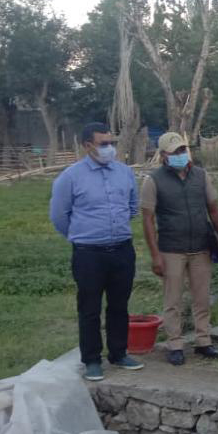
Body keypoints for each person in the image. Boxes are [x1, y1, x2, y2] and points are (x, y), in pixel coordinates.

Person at [49, 122, 144, 381]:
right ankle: (92, 360)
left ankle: (118, 353)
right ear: (87, 145)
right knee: (89, 307)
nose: (109, 148)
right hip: (89, 253)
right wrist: (82, 235)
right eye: (103, 144)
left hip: (122, 250)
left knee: (119, 304)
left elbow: (133, 206)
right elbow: (59, 215)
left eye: (111, 143)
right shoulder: (70, 177)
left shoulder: (124, 173)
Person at [140, 132, 218, 366]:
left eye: (183, 150)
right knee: (173, 299)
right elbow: (147, 219)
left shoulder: (201, 176)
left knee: (202, 297)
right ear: (163, 155)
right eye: (175, 151)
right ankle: (175, 344)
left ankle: (203, 341)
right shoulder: (153, 180)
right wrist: (155, 255)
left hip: (201, 246)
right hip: (171, 248)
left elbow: (214, 209)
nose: (180, 154)